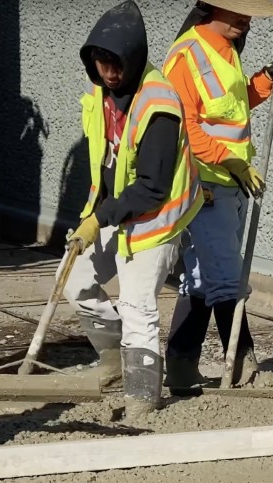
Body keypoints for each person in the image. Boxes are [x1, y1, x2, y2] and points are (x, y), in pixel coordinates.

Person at [63, 0, 203, 417]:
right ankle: (113, 358)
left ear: (134, 58)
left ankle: (143, 398)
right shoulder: (101, 92)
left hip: (155, 220)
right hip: (115, 212)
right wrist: (96, 214)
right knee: (75, 282)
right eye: (100, 63)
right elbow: (107, 158)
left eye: (115, 63)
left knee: (138, 304)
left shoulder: (158, 103)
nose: (108, 73)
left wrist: (99, 219)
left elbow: (152, 188)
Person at [160, 0, 273, 389]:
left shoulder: (227, 51)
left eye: (249, 13)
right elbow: (183, 123)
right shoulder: (187, 55)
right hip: (204, 182)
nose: (245, 19)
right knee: (226, 276)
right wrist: (227, 160)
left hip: (231, 181)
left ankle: (181, 363)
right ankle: (243, 363)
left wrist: (265, 81)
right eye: (237, 11)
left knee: (203, 276)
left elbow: (231, 109)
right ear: (210, 8)